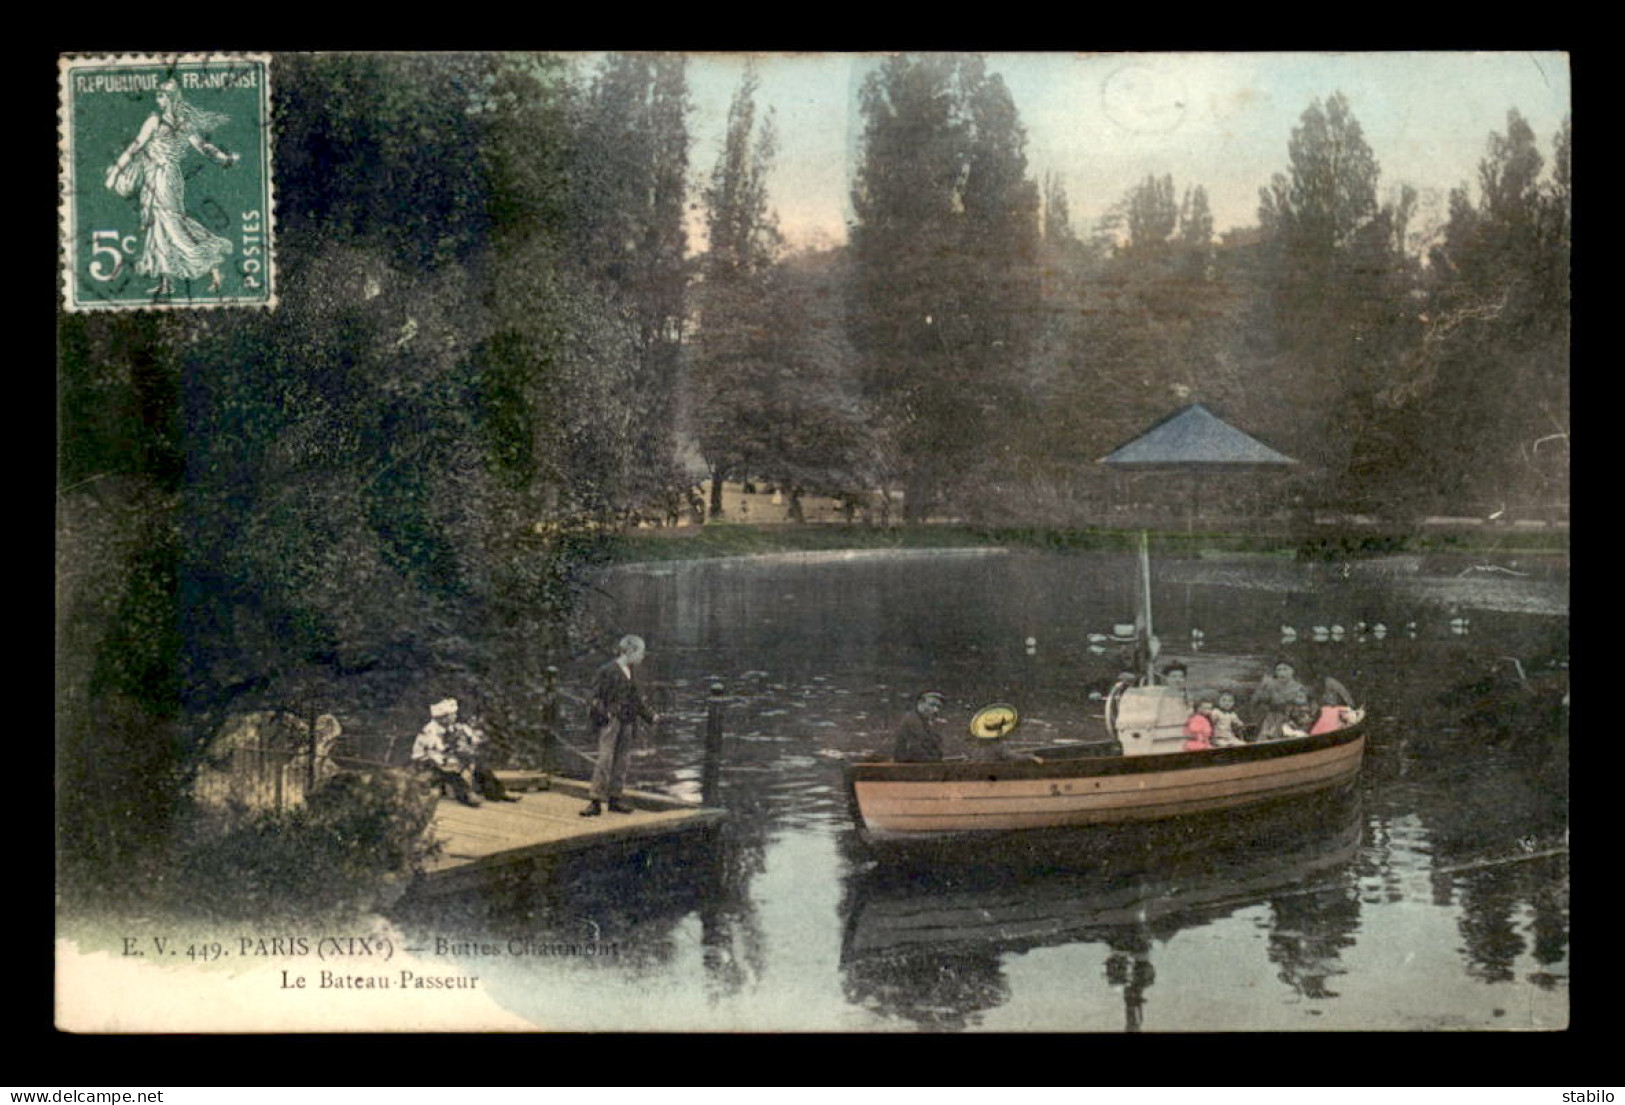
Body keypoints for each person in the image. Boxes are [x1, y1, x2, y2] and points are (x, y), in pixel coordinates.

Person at [104, 80, 240, 297]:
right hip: (168, 178)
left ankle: (210, 265)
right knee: (162, 226)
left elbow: (135, 147)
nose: (158, 100)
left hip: (161, 178)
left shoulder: (155, 121)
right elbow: (205, 148)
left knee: (170, 226)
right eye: (158, 96)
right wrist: (224, 158)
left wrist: (114, 174)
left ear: (171, 98)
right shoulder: (184, 123)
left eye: (162, 96)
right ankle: (168, 282)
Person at [581, 635, 660, 817]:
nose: (642, 657)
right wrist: (605, 714)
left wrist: (650, 716)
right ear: (629, 651)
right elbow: (593, 697)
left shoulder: (630, 671)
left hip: (627, 721)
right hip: (612, 721)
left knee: (622, 761)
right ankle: (595, 801)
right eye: (640, 653)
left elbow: (636, 699)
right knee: (605, 760)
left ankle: (615, 798)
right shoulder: (607, 671)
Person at [412, 699, 480, 807]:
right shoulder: (430, 731)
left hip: (444, 757)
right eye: (451, 715)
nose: (454, 717)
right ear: (442, 717)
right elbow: (434, 754)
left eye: (454, 714)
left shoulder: (451, 727)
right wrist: (453, 762)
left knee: (479, 765)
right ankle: (466, 795)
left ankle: (496, 791)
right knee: (452, 773)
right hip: (426, 761)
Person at [447, 711, 520, 802]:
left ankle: (497, 792)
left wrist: (468, 748)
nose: (451, 717)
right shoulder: (438, 729)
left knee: (482, 767)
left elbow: (473, 742)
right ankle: (468, 796)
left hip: (463, 756)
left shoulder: (462, 728)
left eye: (452, 715)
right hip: (447, 759)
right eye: (448, 716)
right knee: (456, 772)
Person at [1252, 661, 1308, 741]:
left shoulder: (1299, 688)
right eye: (1279, 670)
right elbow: (1255, 701)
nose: (1282, 673)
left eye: (1285, 669)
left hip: (1292, 720)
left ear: (1292, 671)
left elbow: (1304, 708)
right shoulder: (1270, 685)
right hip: (1272, 721)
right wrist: (1262, 687)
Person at [892, 691, 946, 762]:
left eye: (938, 707)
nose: (936, 710)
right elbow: (917, 751)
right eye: (932, 705)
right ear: (920, 703)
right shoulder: (912, 721)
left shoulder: (924, 721)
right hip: (909, 766)